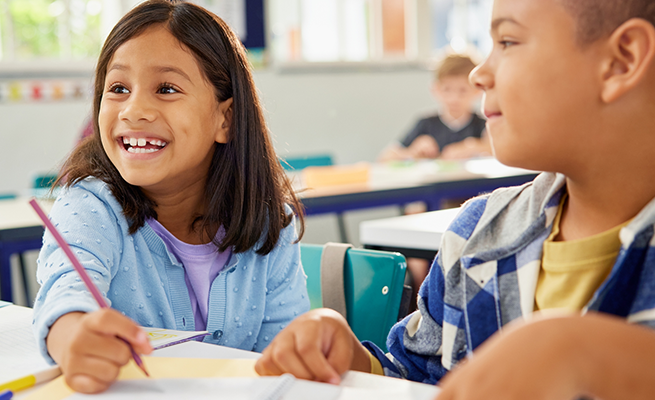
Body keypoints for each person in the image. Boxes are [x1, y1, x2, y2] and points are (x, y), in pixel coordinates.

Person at [255, 0, 655, 398]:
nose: (480, 73)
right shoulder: (476, 234)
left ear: (622, 60)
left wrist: (586, 356)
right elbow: (414, 376)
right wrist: (353, 360)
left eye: (508, 40)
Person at [33, 0, 309, 394]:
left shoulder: (270, 223)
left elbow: (284, 358)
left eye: (166, 88)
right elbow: (64, 295)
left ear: (225, 119)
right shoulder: (90, 207)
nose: (134, 110)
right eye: (118, 88)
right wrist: (73, 334)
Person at [378, 54, 489, 162]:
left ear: (477, 91)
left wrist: (474, 147)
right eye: (447, 90)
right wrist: (414, 151)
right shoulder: (425, 124)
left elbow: (500, 154)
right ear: (436, 89)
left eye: (463, 91)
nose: (454, 98)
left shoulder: (482, 126)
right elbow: (385, 157)